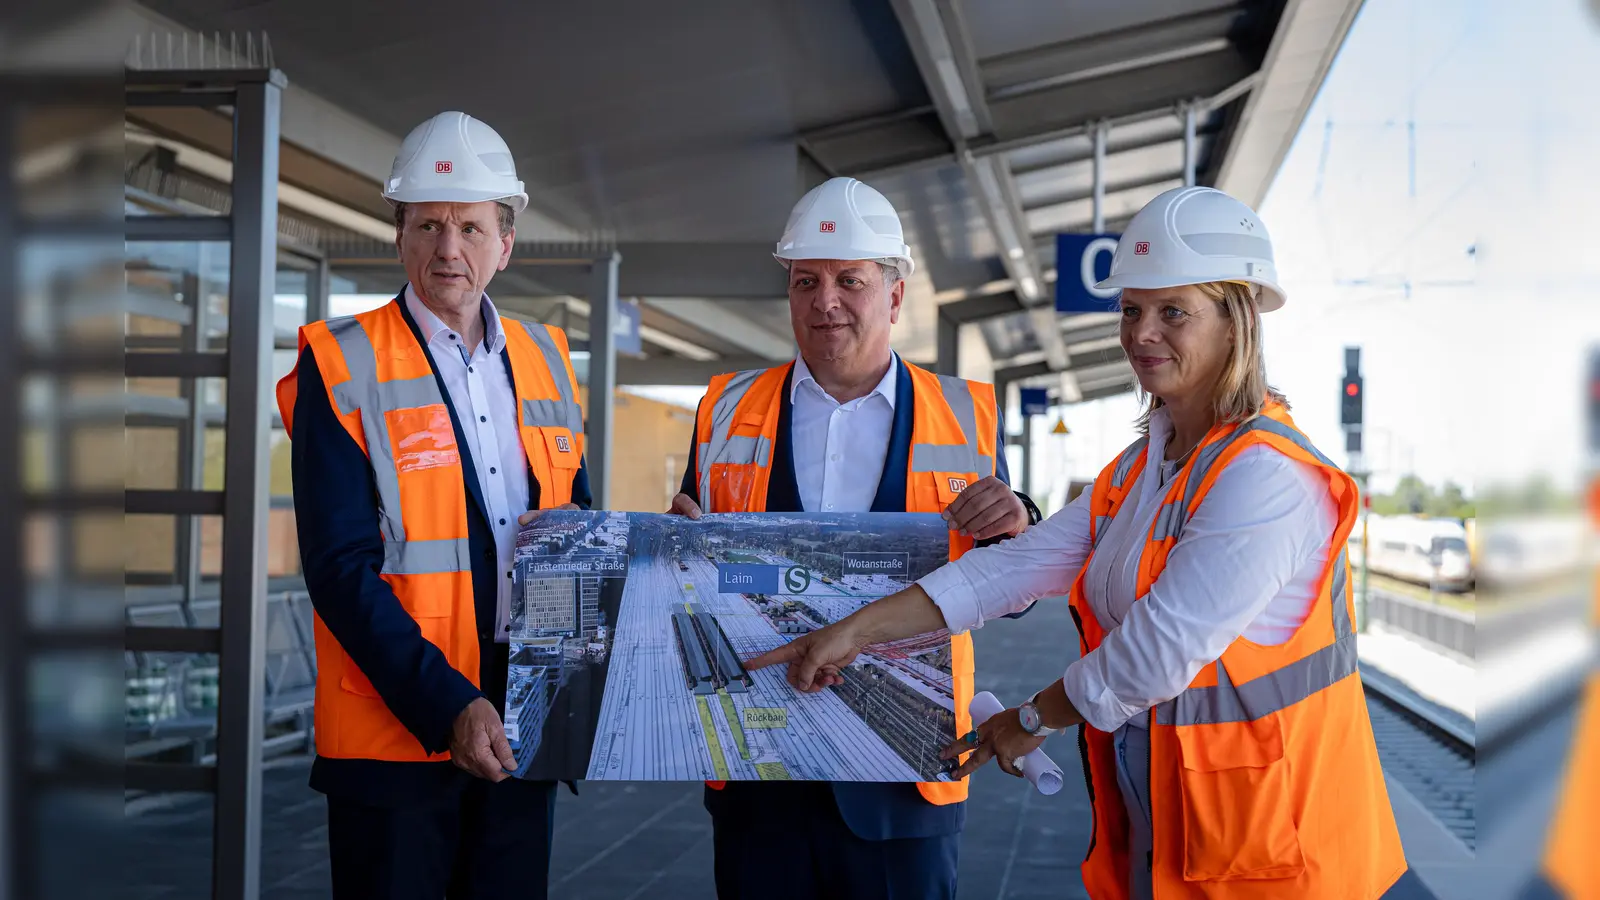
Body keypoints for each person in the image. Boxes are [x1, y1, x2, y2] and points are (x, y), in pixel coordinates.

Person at [751, 185, 1409, 899]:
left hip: (1280, 846)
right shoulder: (1139, 472)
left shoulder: (1269, 478)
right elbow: (1006, 571)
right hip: (1184, 825)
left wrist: (1030, 720)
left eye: (1173, 312)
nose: (1141, 333)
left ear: (1238, 320)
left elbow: (1154, 654)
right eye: (1131, 310)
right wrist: (850, 633)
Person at [667, 175, 1042, 900]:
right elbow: (693, 554)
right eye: (806, 280)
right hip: (759, 762)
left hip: (904, 769)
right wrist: (675, 554)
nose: (824, 300)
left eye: (850, 280)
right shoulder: (724, 411)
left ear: (895, 295)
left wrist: (1016, 524)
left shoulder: (963, 416)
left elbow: (1011, 584)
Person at [275, 111, 590, 900]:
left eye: (472, 229)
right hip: (394, 730)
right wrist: (449, 704)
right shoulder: (341, 360)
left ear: (506, 243)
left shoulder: (548, 359)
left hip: (520, 719)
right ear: (399, 235)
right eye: (429, 226)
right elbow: (339, 566)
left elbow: (577, 532)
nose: (450, 249)